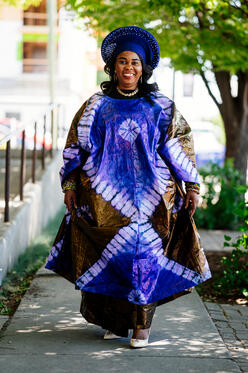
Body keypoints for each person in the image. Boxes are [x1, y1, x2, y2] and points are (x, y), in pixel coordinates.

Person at [45, 26, 211, 348]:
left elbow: (179, 144)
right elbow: (76, 147)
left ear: (144, 67)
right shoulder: (95, 106)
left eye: (135, 62)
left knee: (145, 256)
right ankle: (118, 319)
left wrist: (191, 186)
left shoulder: (160, 107)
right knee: (114, 258)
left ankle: (141, 326)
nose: (129, 68)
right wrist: (69, 184)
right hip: (104, 197)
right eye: (123, 61)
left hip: (153, 198)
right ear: (112, 65)